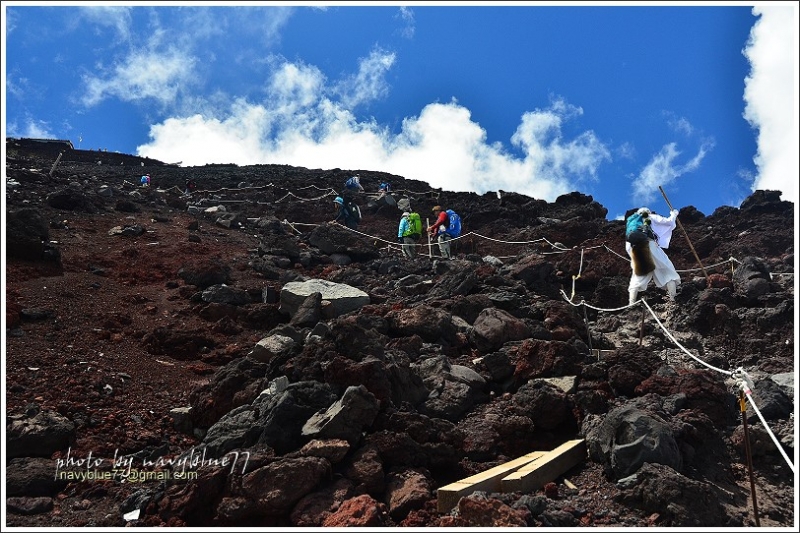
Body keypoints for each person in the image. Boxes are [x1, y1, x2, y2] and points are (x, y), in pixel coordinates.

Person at [625, 207, 681, 306]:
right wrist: (674, 214)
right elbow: (668, 222)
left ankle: (631, 304)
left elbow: (628, 246)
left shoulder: (632, 224)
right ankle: (672, 302)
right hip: (650, 244)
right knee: (668, 272)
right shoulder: (649, 216)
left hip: (636, 248)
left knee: (638, 277)